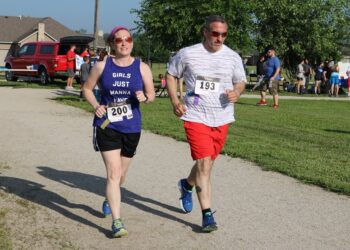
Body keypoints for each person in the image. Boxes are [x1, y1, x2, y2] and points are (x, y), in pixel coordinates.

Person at [166, 15, 246, 232]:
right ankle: (207, 215)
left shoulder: (232, 57)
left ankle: (187, 184)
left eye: (223, 34)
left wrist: (236, 92)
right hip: (195, 116)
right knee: (204, 163)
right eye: (215, 33)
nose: (219, 38)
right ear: (205, 32)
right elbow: (171, 74)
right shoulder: (188, 53)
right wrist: (175, 101)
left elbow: (240, 81)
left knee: (208, 163)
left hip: (222, 117)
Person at [82, 26, 155, 238]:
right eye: (119, 40)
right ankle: (117, 221)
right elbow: (87, 88)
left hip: (131, 127)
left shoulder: (142, 68)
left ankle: (109, 198)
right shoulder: (102, 66)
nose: (124, 43)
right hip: (107, 125)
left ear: (132, 42)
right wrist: (96, 105)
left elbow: (152, 95)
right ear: (112, 44)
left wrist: (145, 98)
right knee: (113, 173)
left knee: (121, 175)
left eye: (128, 39)